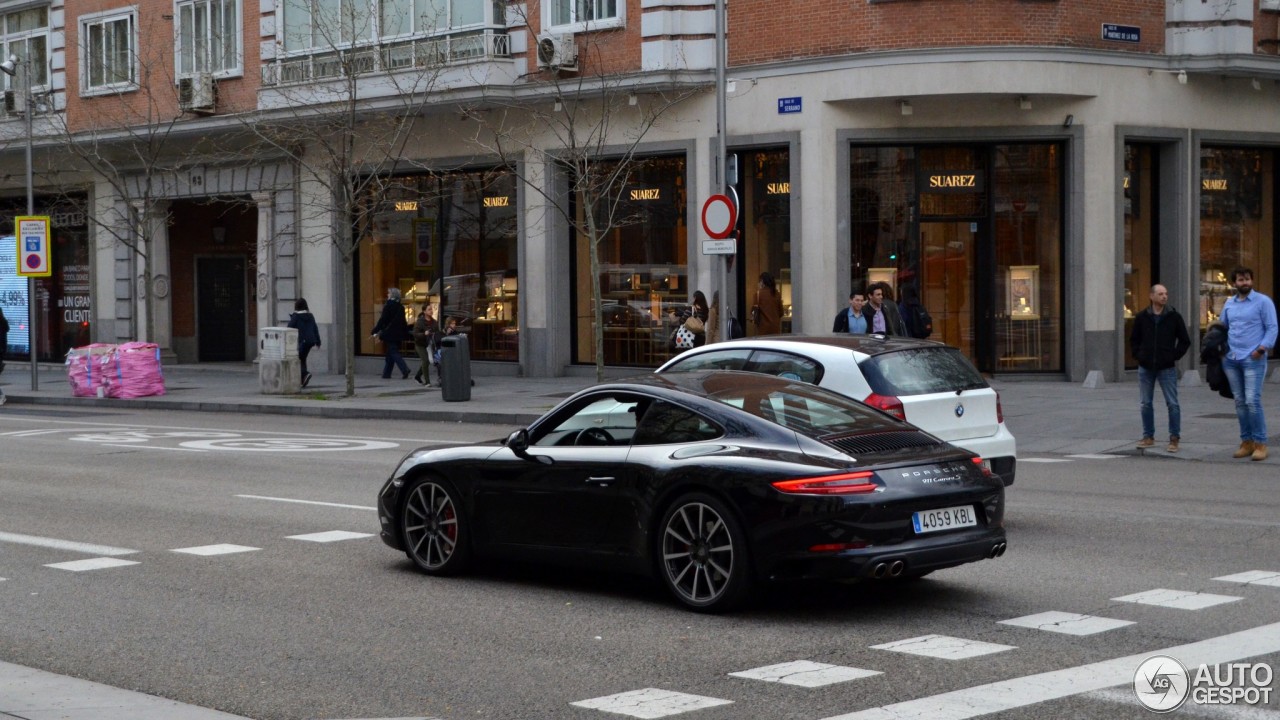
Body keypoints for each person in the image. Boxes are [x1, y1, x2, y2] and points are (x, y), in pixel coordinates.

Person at [1219, 267, 1278, 461]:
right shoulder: (1229, 303)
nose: (1244, 283)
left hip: (1253, 358)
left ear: (1251, 281)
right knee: (1240, 402)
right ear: (1234, 283)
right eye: (1240, 280)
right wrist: (1222, 351)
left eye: (1247, 279)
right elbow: (1222, 327)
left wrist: (1261, 349)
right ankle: (1246, 442)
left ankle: (1260, 443)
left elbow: (1272, 328)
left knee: (1252, 401)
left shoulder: (1263, 302)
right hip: (1232, 359)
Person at [1129, 284, 1191, 452]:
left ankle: (1174, 438)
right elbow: (1134, 339)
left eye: (1166, 293)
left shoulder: (1173, 316)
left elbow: (1185, 340)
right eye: (1160, 294)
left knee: (1172, 403)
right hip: (1146, 367)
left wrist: (1173, 355)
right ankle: (1148, 436)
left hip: (1166, 367)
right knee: (1145, 403)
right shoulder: (1142, 317)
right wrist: (1139, 355)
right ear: (1152, 296)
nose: (1164, 296)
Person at [370, 287, 411, 380]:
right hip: (399, 334)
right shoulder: (401, 307)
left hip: (390, 334)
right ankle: (386, 374)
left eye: (388, 293)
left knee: (393, 352)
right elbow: (403, 322)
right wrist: (406, 333)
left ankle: (405, 369)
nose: (387, 295)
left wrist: (375, 330)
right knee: (390, 354)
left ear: (392, 295)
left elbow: (382, 320)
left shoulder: (388, 306)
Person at [287, 298, 322, 389]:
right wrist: (318, 341)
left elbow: (289, 327)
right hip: (311, 341)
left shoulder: (296, 316)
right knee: (303, 358)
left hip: (303, 341)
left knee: (299, 358)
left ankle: (305, 374)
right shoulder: (310, 315)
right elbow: (315, 328)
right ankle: (303, 379)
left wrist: (292, 317)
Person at [412, 304, 439, 387]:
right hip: (420, 344)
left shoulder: (434, 322)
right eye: (429, 309)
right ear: (424, 311)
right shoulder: (420, 322)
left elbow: (437, 332)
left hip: (430, 344)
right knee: (425, 360)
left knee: (430, 361)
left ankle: (417, 376)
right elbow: (415, 334)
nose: (431, 311)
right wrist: (424, 334)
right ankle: (427, 382)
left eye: (431, 309)